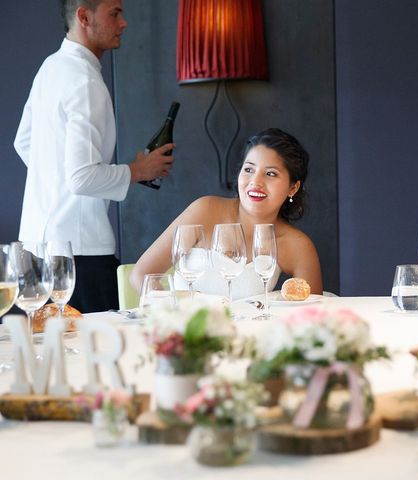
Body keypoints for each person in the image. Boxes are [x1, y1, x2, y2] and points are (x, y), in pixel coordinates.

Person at [14, 0, 174, 313]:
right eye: (115, 13)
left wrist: (57, 185)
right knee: (97, 354)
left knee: (53, 356)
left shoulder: (50, 67)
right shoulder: (85, 80)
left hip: (35, 249)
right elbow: (81, 177)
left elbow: (24, 143)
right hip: (78, 255)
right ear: (84, 17)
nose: (124, 23)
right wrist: (138, 170)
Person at [130, 128, 323, 298]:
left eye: (270, 173)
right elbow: (141, 276)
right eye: (249, 169)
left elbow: (312, 316)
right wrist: (176, 321)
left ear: (293, 188)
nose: (255, 182)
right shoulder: (205, 210)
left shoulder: (295, 245)